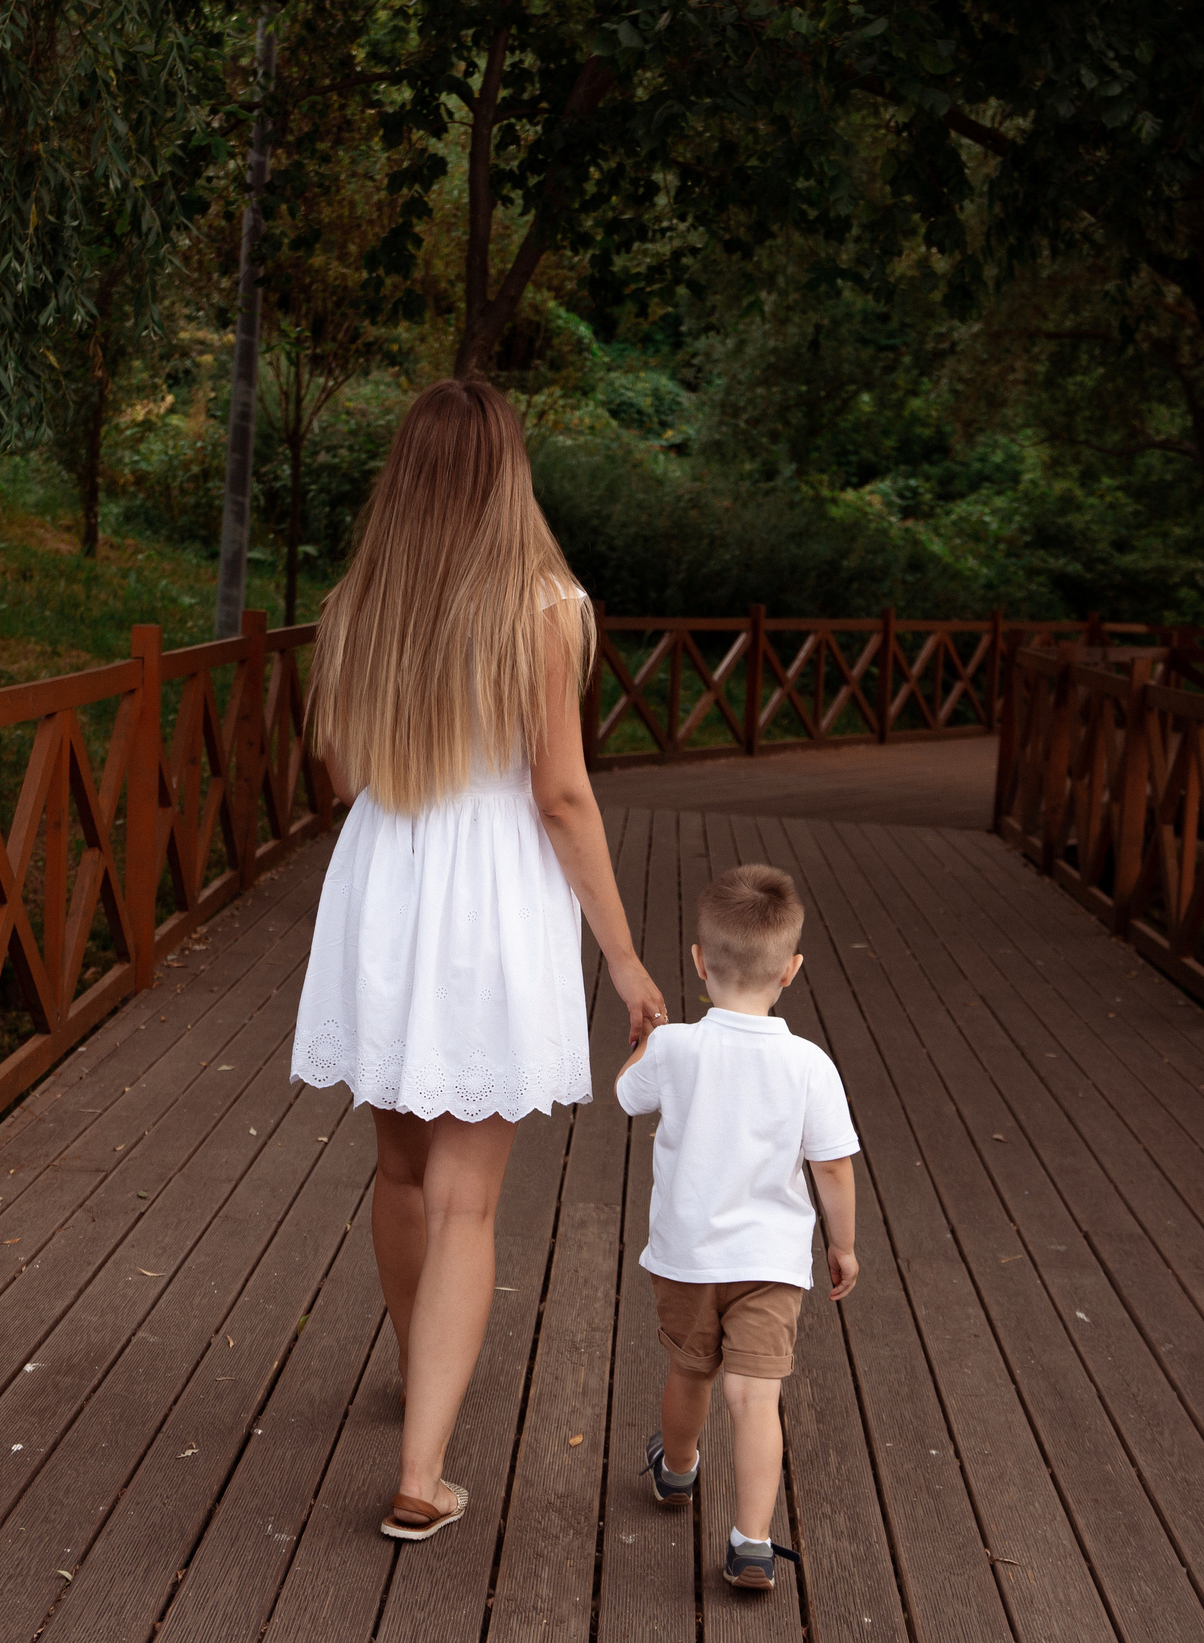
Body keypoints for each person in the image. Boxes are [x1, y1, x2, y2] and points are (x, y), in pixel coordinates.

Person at [291, 378, 666, 1543]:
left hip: (385, 882)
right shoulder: (547, 604)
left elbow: (344, 775)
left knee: (399, 1172)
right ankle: (421, 1470)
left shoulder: (363, 598)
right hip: (490, 896)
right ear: (509, 471)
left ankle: (421, 1374)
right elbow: (559, 795)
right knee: (466, 1202)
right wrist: (622, 955)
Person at [615, 864, 860, 1593]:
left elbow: (629, 1096)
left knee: (690, 1369)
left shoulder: (677, 1048)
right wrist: (841, 1244)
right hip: (772, 1264)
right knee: (756, 1398)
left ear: (698, 960)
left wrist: (648, 1035)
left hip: (688, 1258)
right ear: (791, 969)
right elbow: (834, 1167)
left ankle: (679, 1469)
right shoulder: (809, 1064)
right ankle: (752, 1541)